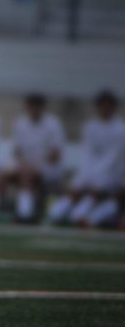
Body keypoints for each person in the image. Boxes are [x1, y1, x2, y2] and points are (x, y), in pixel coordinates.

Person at [48, 90, 125, 228]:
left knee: (98, 191)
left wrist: (97, 176)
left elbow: (115, 158)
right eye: (102, 106)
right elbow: (88, 154)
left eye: (108, 106)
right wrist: (85, 175)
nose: (105, 109)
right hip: (90, 171)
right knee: (75, 188)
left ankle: (84, 218)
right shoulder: (90, 127)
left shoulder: (120, 129)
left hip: (113, 174)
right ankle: (55, 215)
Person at [0, 94, 65, 222]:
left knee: (25, 174)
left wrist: (35, 164)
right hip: (24, 165)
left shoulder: (53, 124)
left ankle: (24, 213)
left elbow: (56, 154)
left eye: (37, 106)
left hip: (47, 168)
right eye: (31, 106)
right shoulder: (21, 123)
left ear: (42, 108)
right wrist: (23, 163)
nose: (34, 109)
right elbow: (18, 150)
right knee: (5, 174)